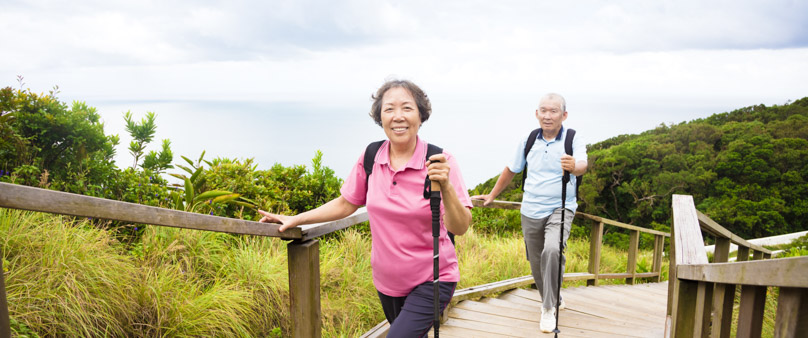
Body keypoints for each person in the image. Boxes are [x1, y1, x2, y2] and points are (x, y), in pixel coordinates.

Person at [258, 79, 473, 337]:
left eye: (407, 108)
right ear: (380, 117)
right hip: (387, 282)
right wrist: (296, 218)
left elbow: (460, 227)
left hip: (433, 279)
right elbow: (346, 203)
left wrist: (446, 186)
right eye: (389, 109)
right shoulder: (372, 157)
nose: (398, 117)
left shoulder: (440, 161)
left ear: (421, 115)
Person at [471, 93, 587, 333]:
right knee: (536, 261)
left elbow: (583, 165)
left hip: (561, 206)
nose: (547, 115)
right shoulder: (529, 139)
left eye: (553, 111)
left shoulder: (573, 138)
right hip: (531, 209)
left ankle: (548, 308)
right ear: (537, 113)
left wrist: (573, 166)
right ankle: (554, 296)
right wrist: (492, 195)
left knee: (553, 250)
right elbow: (512, 169)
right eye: (543, 110)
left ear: (563, 115)